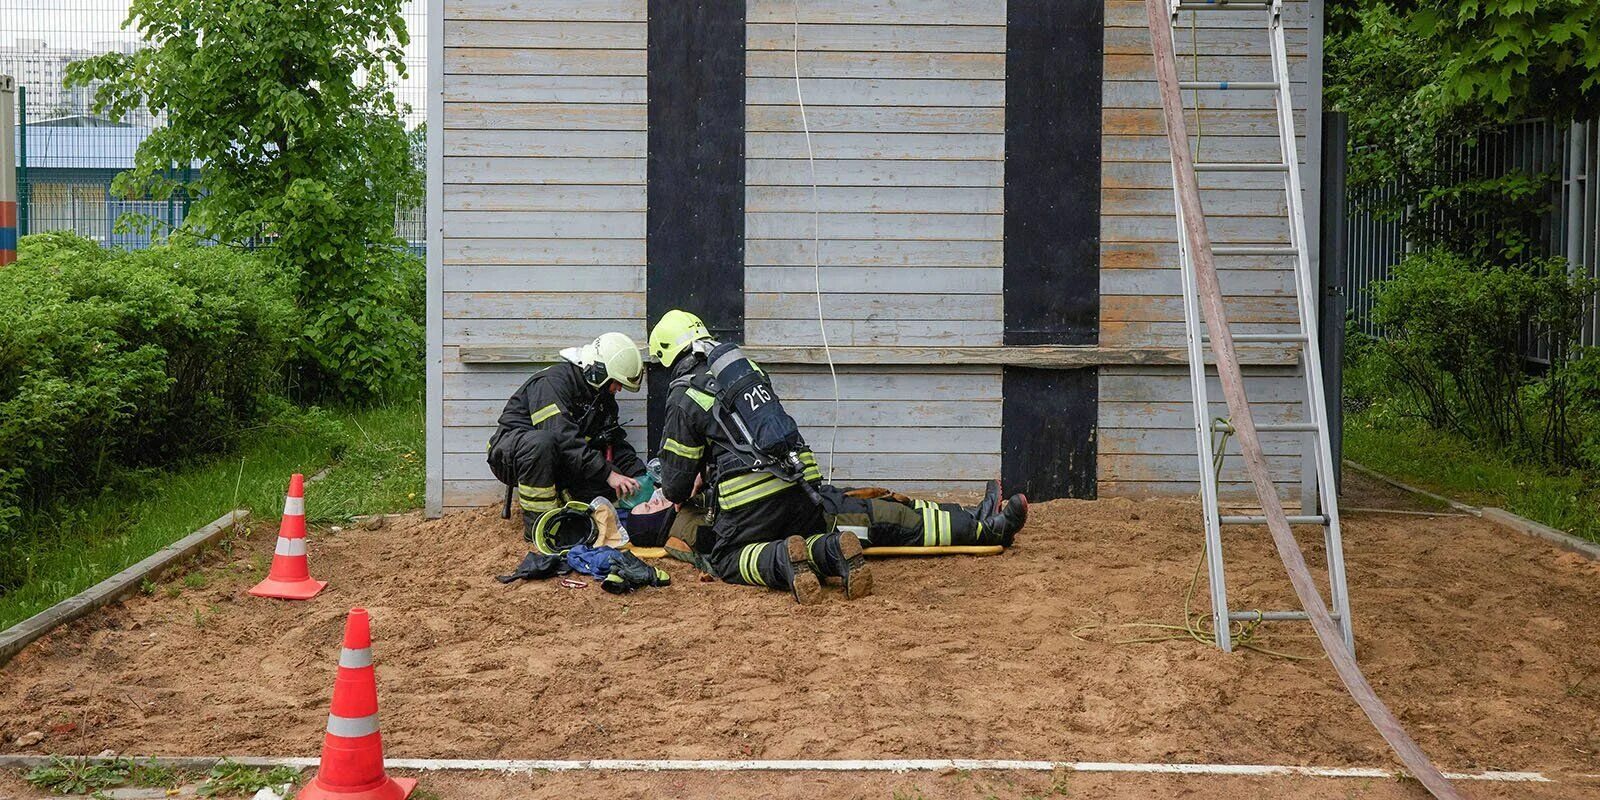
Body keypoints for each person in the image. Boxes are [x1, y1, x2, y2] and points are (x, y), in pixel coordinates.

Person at [646, 310, 1028, 604]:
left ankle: (789, 559)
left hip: (751, 508)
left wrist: (687, 484)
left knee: (726, 558)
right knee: (876, 517)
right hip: (802, 488)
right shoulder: (745, 373)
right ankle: (979, 524)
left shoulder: (683, 395)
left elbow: (677, 484)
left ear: (667, 356)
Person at [487, 332, 648, 541]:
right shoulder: (552, 383)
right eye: (616, 382)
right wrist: (608, 474)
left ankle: (570, 512)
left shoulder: (602, 397)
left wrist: (639, 476)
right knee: (542, 443)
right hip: (511, 456)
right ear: (598, 371)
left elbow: (612, 441)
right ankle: (541, 530)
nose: (618, 389)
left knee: (613, 479)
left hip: (558, 457)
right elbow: (561, 436)